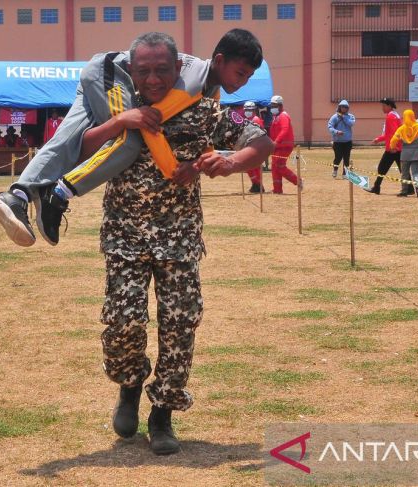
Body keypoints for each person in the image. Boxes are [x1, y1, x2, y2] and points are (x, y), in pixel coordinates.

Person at [86, 32, 272, 456]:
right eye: (144, 70)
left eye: (162, 70)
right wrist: (121, 122)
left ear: (180, 69)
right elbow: (75, 146)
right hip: (124, 235)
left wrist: (228, 162)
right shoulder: (115, 102)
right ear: (132, 71)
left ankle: (163, 413)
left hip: (179, 238)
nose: (153, 78)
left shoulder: (203, 108)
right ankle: (130, 386)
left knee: (180, 327)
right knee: (122, 322)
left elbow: (262, 140)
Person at [0, 29, 264, 247]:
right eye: (240, 73)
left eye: (249, 77)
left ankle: (18, 195)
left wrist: (196, 165)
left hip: (99, 72)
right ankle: (57, 194)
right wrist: (173, 169)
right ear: (218, 61)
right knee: (129, 141)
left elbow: (202, 138)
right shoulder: (193, 79)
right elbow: (150, 121)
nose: (242, 82)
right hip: (112, 72)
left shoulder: (210, 90)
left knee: (67, 138)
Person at [368, 98, 402, 195]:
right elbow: (390, 133)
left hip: (392, 148)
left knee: (382, 168)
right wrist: (379, 139)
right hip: (396, 147)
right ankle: (411, 188)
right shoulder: (395, 115)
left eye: (384, 106)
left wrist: (393, 146)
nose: (382, 108)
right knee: (402, 169)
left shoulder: (391, 117)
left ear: (389, 106)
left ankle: (376, 187)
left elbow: (395, 133)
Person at [390, 109, 418, 198]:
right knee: (416, 172)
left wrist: (393, 147)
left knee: (404, 173)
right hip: (417, 152)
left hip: (405, 153)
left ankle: (404, 191)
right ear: (413, 116)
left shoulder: (401, 128)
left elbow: (394, 139)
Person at [268, 95, 300, 193]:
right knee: (274, 166)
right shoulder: (276, 116)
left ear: (280, 105)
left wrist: (276, 141)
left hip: (284, 145)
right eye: (272, 105)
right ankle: (277, 189)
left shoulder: (283, 116)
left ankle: (298, 181)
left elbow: (285, 129)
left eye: (275, 105)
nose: (272, 107)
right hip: (277, 145)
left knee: (279, 165)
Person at [327, 99, 355, 179]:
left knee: (346, 158)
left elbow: (351, 123)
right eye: (342, 107)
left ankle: (345, 173)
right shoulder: (334, 117)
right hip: (337, 141)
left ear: (348, 108)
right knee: (338, 157)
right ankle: (335, 170)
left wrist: (343, 117)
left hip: (347, 141)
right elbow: (330, 126)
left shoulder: (351, 116)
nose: (344, 108)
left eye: (346, 107)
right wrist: (336, 132)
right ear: (339, 107)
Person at [242, 100, 265, 192]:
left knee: (255, 167)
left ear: (254, 110)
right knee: (249, 167)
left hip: (256, 147)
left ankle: (259, 185)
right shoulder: (247, 120)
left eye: (249, 110)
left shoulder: (256, 120)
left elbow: (260, 133)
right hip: (248, 146)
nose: (247, 111)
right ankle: (255, 183)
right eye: (246, 110)